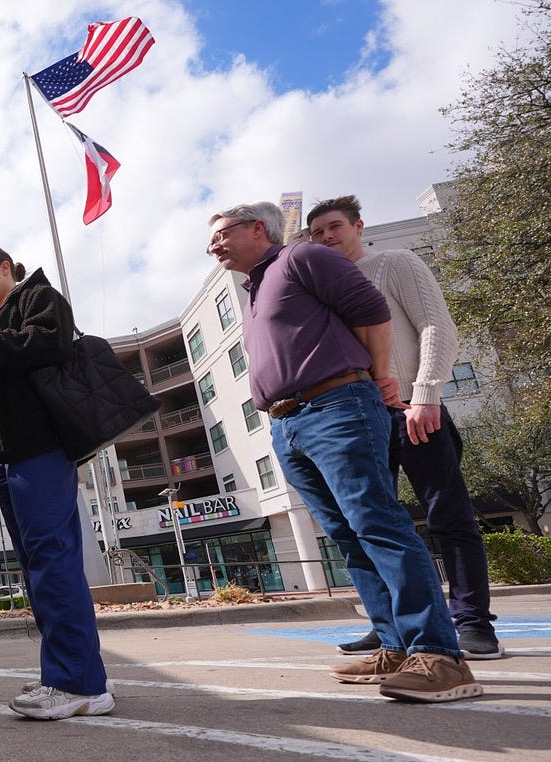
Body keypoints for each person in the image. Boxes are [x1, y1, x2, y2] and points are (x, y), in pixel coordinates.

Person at [208, 201, 480, 703]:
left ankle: (441, 656)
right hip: (289, 424)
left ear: (258, 229)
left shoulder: (303, 258)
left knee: (377, 522)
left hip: (337, 404)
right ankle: (396, 646)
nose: (214, 245)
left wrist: (381, 378)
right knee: (348, 536)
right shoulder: (256, 288)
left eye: (224, 233)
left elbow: (372, 311)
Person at [307, 195, 502, 660]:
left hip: (414, 410)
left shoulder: (394, 263)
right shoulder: (325, 291)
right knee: (369, 525)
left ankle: (473, 623)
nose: (327, 237)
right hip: (359, 419)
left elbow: (436, 325)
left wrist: (426, 393)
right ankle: (392, 624)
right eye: (317, 233)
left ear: (358, 225)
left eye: (335, 227)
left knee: (448, 517)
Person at [0, 246, 114, 720]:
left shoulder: (38, 297)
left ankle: (77, 682)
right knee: (38, 567)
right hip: (5, 452)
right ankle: (68, 675)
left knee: (51, 559)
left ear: (6, 267)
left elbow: (50, 343)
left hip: (38, 448)